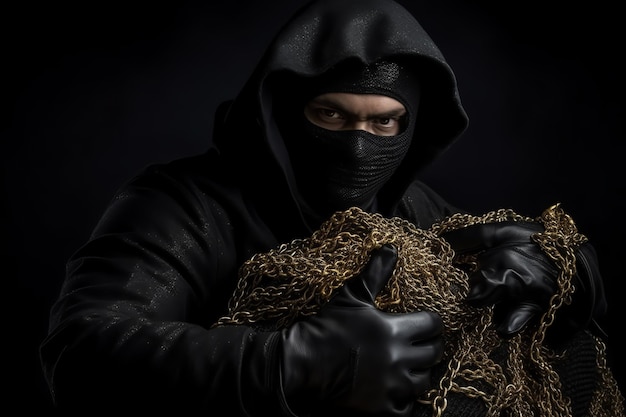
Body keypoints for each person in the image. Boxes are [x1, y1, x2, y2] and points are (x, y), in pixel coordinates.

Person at [40, 0, 616, 415]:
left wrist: (567, 274)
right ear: (284, 111)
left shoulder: (409, 207)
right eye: (331, 115)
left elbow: (516, 285)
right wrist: (295, 361)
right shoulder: (180, 205)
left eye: (383, 121)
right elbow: (83, 353)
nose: (358, 144)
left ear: (408, 128)